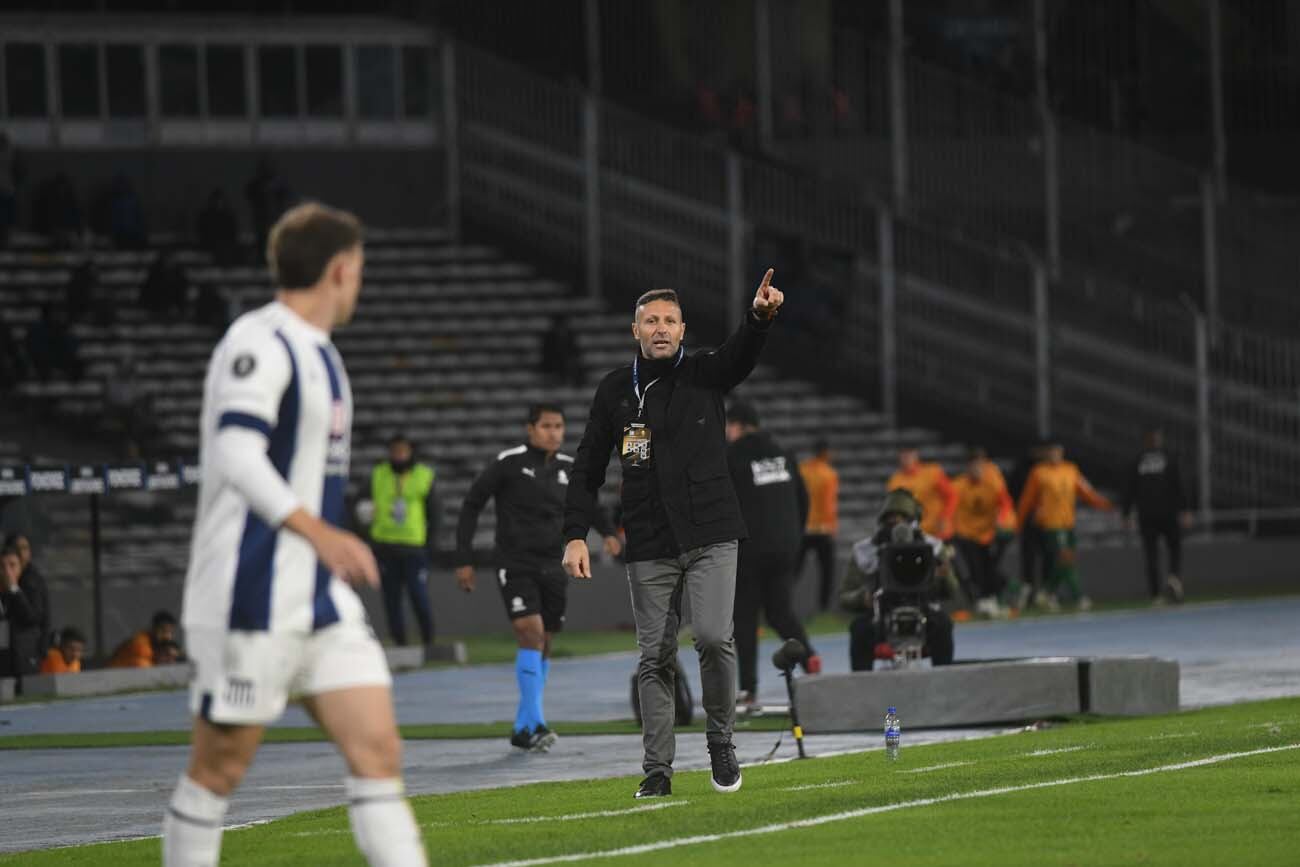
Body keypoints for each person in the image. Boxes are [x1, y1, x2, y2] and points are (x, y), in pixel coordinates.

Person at [161, 202, 426, 866]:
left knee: (378, 752)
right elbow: (236, 452)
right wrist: (320, 532)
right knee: (218, 769)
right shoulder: (259, 341)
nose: (359, 284)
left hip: (319, 598)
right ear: (339, 270)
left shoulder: (324, 357)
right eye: (358, 270)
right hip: (247, 594)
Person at [563, 270, 785, 800]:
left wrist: (757, 318)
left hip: (711, 531)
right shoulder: (616, 390)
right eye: (650, 321)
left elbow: (740, 355)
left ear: (683, 330)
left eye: (669, 320)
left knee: (712, 636)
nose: (660, 328)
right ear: (634, 329)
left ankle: (721, 743)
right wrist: (575, 534)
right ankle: (657, 769)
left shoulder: (706, 372)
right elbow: (588, 465)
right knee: (654, 657)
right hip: (648, 539)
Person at [456, 402, 622, 751]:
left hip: (554, 564)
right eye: (546, 426)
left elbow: (587, 503)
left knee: (545, 641)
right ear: (530, 429)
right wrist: (464, 557)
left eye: (559, 427)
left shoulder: (569, 468)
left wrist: (607, 531)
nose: (554, 433)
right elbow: (472, 503)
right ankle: (538, 722)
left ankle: (523, 725)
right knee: (529, 633)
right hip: (514, 563)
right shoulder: (509, 462)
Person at [725, 400, 819, 708]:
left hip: (750, 549)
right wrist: (793, 537)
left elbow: (727, 501)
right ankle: (812, 663)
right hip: (785, 547)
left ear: (736, 425)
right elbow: (802, 500)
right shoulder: (784, 453)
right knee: (780, 613)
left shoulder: (734, 454)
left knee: (745, 618)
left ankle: (749, 691)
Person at [839, 490, 955, 671]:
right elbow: (844, 596)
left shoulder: (933, 548)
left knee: (943, 624)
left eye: (902, 518)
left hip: (923, 612)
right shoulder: (866, 551)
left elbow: (951, 591)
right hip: (881, 615)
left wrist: (944, 576)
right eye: (891, 518)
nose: (896, 523)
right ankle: (861, 688)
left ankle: (945, 684)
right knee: (860, 629)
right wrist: (862, 598)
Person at [1016, 442, 1115, 612]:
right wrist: (1018, 521)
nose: (1055, 455)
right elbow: (1027, 499)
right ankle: (1078, 597)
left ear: (1062, 453)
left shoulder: (1071, 470)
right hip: (1051, 523)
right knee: (1065, 559)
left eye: (1057, 451)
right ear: (1047, 454)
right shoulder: (1039, 472)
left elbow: (1085, 491)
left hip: (1068, 522)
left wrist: (1105, 504)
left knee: (1063, 562)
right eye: (1051, 452)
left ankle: (1046, 592)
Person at [368, 434, 439, 649]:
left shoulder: (424, 475)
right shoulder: (378, 474)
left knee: (418, 595)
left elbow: (435, 512)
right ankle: (400, 643)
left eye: (403, 451)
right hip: (385, 546)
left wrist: (430, 544)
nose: (398, 455)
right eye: (395, 451)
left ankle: (428, 640)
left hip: (413, 548)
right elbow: (360, 505)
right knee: (391, 599)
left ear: (410, 452)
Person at [1123, 428, 1190, 605]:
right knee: (1174, 548)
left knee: (1151, 554)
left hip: (1147, 514)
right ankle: (1174, 577)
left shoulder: (1138, 460)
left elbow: (1129, 488)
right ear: (1159, 440)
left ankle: (1155, 595)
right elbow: (1179, 484)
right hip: (1168, 512)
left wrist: (1126, 513)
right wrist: (1185, 509)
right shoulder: (1169, 457)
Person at [951, 448, 1016, 618]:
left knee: (990, 567)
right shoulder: (958, 486)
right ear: (967, 468)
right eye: (973, 466)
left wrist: (1002, 519)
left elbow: (1005, 503)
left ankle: (993, 598)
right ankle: (984, 601)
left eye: (980, 465)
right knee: (975, 568)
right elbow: (950, 507)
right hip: (968, 534)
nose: (977, 469)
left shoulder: (993, 481)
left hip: (989, 533)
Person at [797, 439, 839, 611]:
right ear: (825, 453)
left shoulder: (802, 469)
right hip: (823, 529)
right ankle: (824, 607)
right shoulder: (828, 474)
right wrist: (832, 527)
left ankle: (778, 602)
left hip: (803, 529)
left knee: (793, 571)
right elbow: (829, 505)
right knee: (827, 572)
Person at [887, 447, 958, 539]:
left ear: (916, 455)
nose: (907, 458)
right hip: (914, 533)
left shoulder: (933, 472)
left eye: (910, 454)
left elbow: (951, 496)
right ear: (899, 457)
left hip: (938, 530)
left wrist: (945, 517)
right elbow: (895, 510)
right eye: (904, 455)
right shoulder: (895, 481)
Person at [0, 544, 44, 676]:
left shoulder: (30, 589)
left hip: (25, 659)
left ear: (20, 567)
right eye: (2, 566)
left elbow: (32, 618)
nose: (7, 571)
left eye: (12, 565)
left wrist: (13, 588)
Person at [4, 533, 51, 654]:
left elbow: (33, 617)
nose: (21, 553)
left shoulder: (32, 580)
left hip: (28, 650)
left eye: (25, 548)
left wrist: (14, 588)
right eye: (17, 548)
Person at [109, 609, 179, 668]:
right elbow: (146, 673)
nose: (168, 636)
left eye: (171, 632)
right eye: (163, 631)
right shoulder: (141, 646)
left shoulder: (153, 644)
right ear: (153, 629)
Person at [197, 188, 240, 266]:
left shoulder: (228, 216)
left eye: (220, 201)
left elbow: (233, 232)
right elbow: (201, 231)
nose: (218, 203)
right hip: (210, 244)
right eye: (216, 201)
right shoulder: (206, 216)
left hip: (225, 245)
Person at [539, 316, 584, 388]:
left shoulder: (570, 337)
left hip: (565, 368)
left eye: (562, 327)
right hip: (552, 366)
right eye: (559, 327)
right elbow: (546, 355)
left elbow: (575, 352)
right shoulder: (549, 339)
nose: (561, 330)